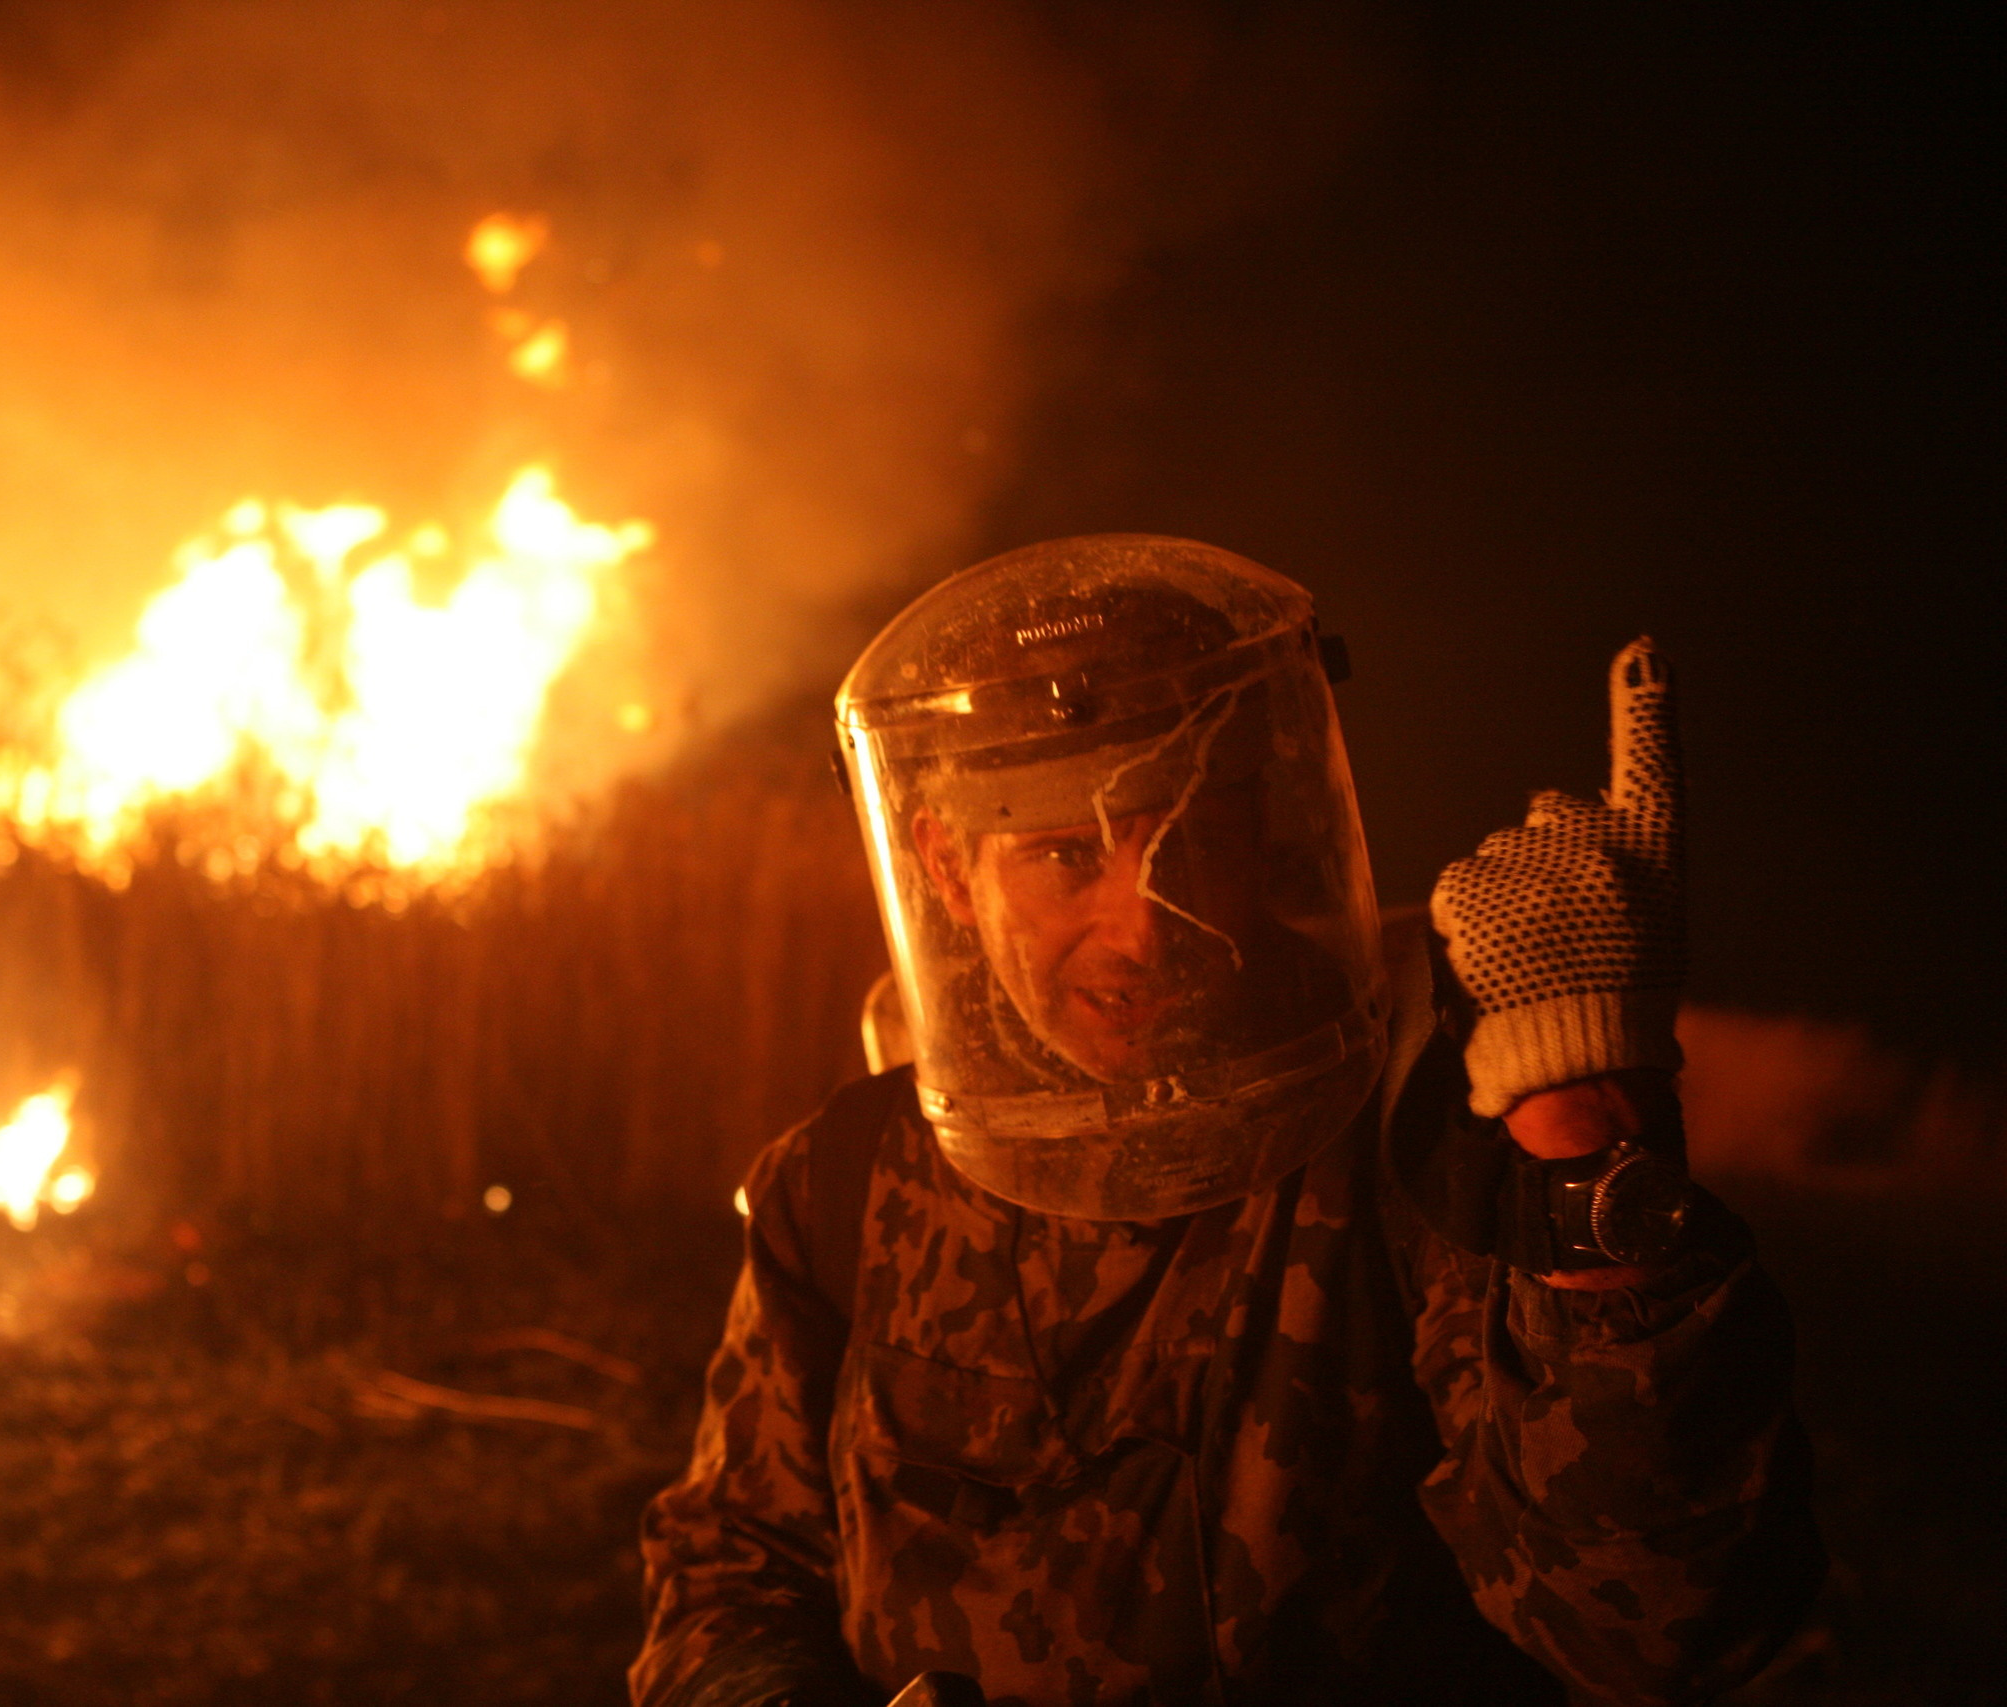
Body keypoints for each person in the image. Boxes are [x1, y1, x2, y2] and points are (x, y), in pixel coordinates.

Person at [631, 537, 1819, 1706]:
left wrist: (1591, 1161)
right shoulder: (841, 1184)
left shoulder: (1417, 1153)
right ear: (946, 865)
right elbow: (732, 1569)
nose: (1143, 926)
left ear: (1265, 828)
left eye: (1189, 839)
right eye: (1061, 855)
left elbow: (1661, 1638)